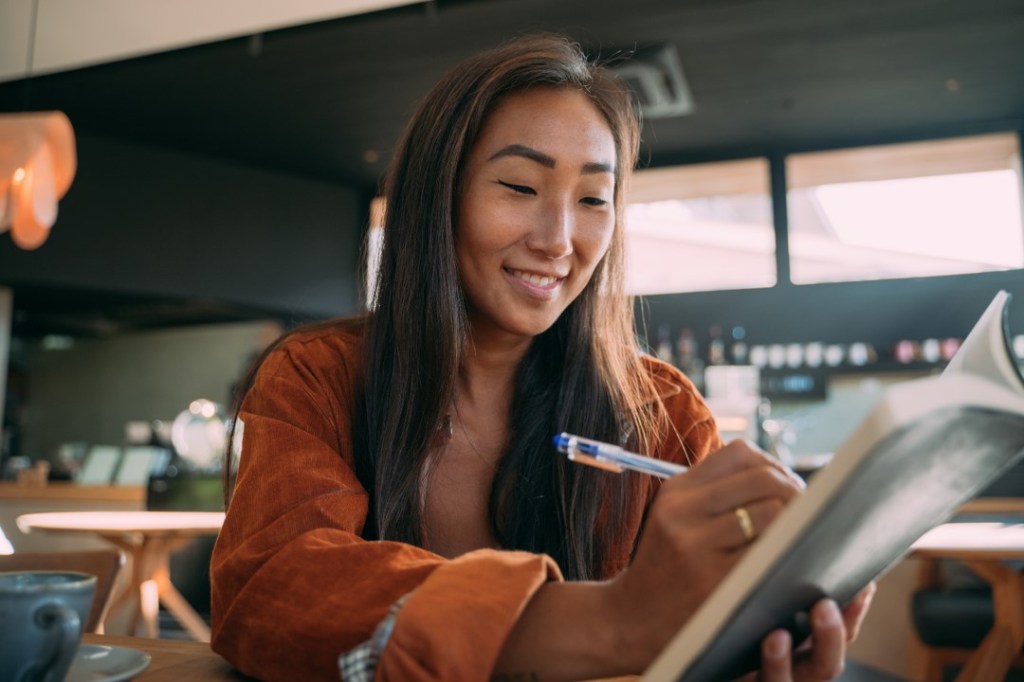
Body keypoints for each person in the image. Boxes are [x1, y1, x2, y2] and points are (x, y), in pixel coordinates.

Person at [210, 33, 873, 682]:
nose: (559, 240)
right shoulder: (316, 376)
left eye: (592, 199)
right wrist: (612, 621)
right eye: (521, 187)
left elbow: (701, 636)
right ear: (436, 198)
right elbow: (270, 589)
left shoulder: (662, 411)